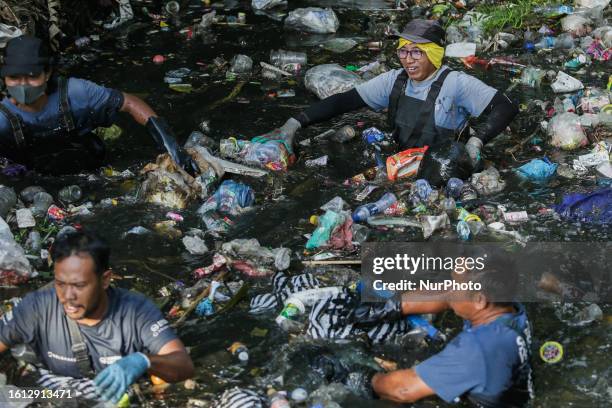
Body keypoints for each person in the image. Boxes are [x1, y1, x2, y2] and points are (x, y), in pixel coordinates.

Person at [268, 19, 518, 169]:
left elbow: (506, 106)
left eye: (417, 53)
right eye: (403, 51)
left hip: (445, 166)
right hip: (401, 163)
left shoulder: (456, 83)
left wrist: (477, 142)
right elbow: (344, 102)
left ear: (434, 54)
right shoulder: (394, 81)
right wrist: (293, 123)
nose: (408, 60)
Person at [0, 229, 194, 404]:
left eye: (79, 285)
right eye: (60, 284)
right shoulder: (36, 309)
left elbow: (183, 365)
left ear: (105, 280)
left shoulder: (136, 312)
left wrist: (144, 360)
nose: (68, 297)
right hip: (51, 392)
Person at [0, 35, 198, 176]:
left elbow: (128, 102)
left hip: (92, 167)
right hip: (38, 181)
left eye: (32, 76)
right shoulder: (3, 118)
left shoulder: (75, 93)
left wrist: (170, 146)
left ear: (48, 73)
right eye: (14, 77)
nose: (23, 85)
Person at [347, 261, 533, 407]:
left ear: (479, 300)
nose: (449, 289)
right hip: (504, 384)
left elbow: (402, 390)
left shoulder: (478, 348)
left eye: (455, 285)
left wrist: (358, 377)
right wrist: (394, 306)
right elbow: (445, 296)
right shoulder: (506, 306)